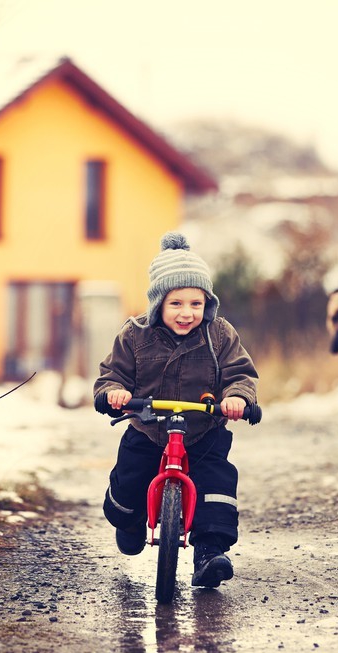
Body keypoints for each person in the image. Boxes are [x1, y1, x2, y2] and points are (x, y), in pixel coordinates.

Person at [94, 232, 259, 589]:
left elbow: (239, 373)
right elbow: (113, 374)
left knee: (216, 484)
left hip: (203, 429)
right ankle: (130, 520)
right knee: (129, 485)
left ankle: (209, 553)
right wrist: (115, 393)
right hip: (148, 427)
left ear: (207, 304)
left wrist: (238, 398)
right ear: (158, 304)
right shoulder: (135, 335)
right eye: (177, 304)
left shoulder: (219, 335)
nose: (187, 313)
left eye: (196, 304)